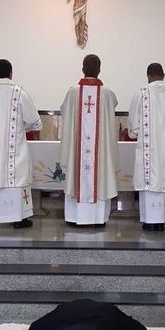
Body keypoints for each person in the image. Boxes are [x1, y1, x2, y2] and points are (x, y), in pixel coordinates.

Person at [0, 59, 41, 229]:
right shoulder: (20, 93)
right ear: (11, 73)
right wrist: (21, 128)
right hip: (15, 151)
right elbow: (34, 121)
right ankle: (19, 218)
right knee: (16, 178)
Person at [60, 54, 118, 227]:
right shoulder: (107, 93)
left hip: (78, 149)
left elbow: (64, 111)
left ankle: (74, 217)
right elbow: (113, 107)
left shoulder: (73, 91)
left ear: (83, 68)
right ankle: (98, 219)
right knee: (99, 176)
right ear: (99, 69)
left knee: (77, 173)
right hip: (99, 153)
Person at [128, 63, 165, 231]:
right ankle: (164, 219)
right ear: (163, 75)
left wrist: (136, 133)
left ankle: (151, 221)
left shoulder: (142, 93)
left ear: (148, 76)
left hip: (148, 152)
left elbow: (134, 127)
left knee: (149, 182)